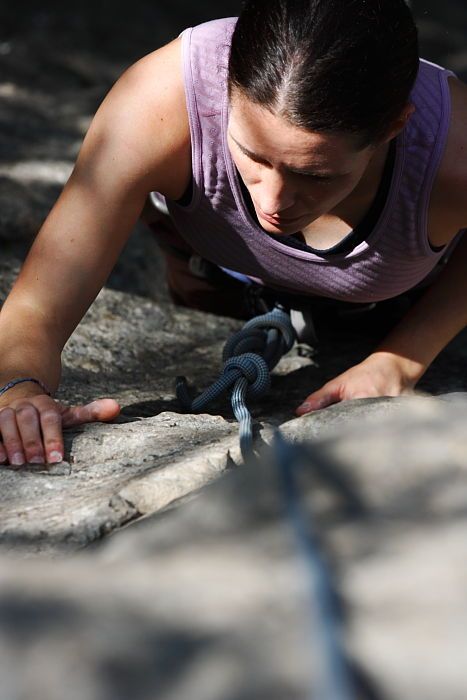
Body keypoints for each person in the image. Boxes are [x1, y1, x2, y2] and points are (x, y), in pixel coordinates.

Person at [1, 0, 467, 467]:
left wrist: (403, 357)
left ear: (394, 126)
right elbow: (39, 304)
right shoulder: (161, 100)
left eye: (317, 175)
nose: (274, 203)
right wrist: (17, 390)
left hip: (390, 305)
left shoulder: (453, 155)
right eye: (253, 156)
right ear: (225, 87)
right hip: (214, 279)